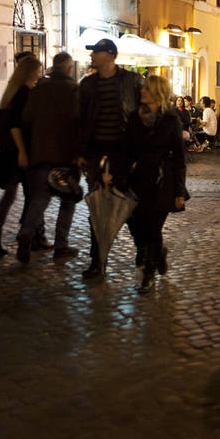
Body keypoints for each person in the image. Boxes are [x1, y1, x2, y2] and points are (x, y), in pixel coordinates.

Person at [104, 74, 187, 291]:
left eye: (147, 89)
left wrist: (179, 190)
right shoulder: (135, 118)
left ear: (157, 93)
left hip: (162, 183)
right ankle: (157, 254)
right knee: (136, 226)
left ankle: (148, 273)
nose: (142, 91)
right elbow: (126, 151)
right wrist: (113, 173)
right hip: (138, 180)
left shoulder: (170, 119)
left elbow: (179, 158)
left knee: (153, 227)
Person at [78, 38, 144, 278]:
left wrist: (139, 154)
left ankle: (143, 250)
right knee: (97, 209)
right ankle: (97, 262)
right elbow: (80, 120)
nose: (92, 56)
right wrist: (81, 153)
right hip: (96, 155)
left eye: (96, 52)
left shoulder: (131, 81)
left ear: (110, 55)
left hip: (123, 154)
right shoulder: (87, 85)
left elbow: (141, 116)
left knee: (127, 206)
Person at [16, 53, 81, 263]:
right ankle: (61, 244)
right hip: (65, 155)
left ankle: (26, 232)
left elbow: (26, 117)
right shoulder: (74, 89)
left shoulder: (39, 88)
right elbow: (79, 121)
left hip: (41, 152)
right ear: (70, 69)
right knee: (68, 200)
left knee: (39, 199)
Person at [0, 55, 42, 256]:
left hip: (11, 154)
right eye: (38, 69)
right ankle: (23, 239)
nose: (40, 73)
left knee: (13, 197)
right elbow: (15, 125)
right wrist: (22, 152)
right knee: (26, 197)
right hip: (18, 154)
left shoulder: (13, 92)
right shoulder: (23, 93)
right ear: (30, 71)